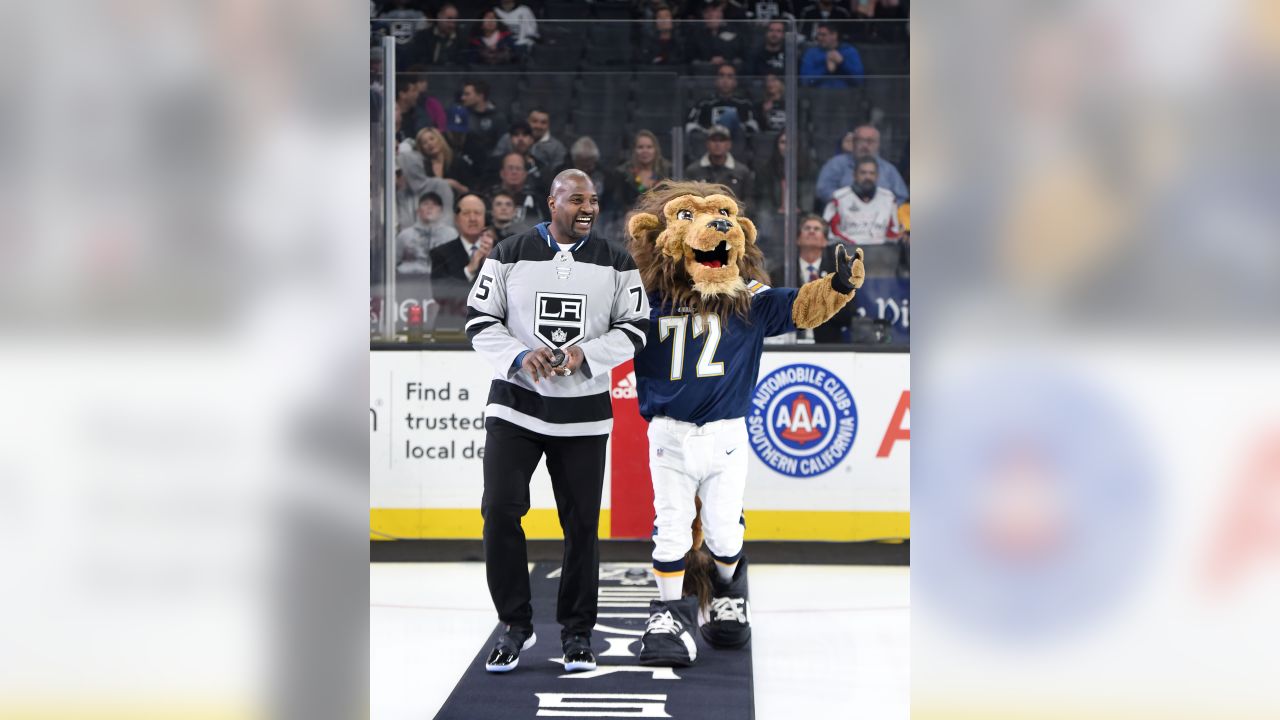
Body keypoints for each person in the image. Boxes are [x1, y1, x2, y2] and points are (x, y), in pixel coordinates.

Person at [467, 169, 650, 675]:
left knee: (582, 529)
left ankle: (576, 635)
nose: (587, 207)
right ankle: (515, 626)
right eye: (576, 199)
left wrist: (582, 356)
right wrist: (520, 356)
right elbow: (480, 321)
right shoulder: (508, 252)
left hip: (583, 416)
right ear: (552, 202)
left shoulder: (616, 261)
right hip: (515, 407)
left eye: (593, 199)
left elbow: (635, 329)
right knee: (499, 511)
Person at [770, 214, 848, 342]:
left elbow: (848, 315)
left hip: (828, 347)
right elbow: (774, 310)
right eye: (807, 228)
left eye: (817, 229)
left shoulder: (839, 274)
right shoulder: (780, 273)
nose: (811, 231)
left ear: (825, 241)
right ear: (798, 240)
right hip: (788, 344)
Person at [815, 123, 909, 205]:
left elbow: (901, 196)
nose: (865, 145)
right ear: (854, 142)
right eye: (861, 140)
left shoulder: (888, 170)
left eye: (870, 141)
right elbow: (822, 190)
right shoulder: (836, 164)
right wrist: (848, 202)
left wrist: (884, 207)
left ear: (878, 144)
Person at [823, 156, 903, 245]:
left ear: (877, 176)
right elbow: (828, 232)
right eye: (863, 173)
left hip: (881, 253)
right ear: (854, 175)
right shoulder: (838, 198)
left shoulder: (889, 199)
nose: (867, 177)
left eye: (871, 173)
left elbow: (894, 232)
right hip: (848, 252)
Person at [685, 64, 760, 144]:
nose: (725, 80)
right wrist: (707, 133)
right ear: (716, 81)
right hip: (709, 146)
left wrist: (738, 131)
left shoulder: (745, 104)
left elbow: (754, 125)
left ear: (735, 82)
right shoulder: (704, 104)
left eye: (730, 76)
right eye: (721, 76)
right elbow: (690, 126)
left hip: (737, 148)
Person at [684, 125, 754, 203]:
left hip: (734, 213)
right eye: (713, 140)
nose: (717, 144)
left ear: (729, 144)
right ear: (707, 144)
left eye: (722, 140)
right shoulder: (693, 170)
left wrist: (739, 212)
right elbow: (687, 199)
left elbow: (749, 200)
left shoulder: (742, 171)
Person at [397, 192, 459, 275]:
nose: (430, 207)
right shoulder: (405, 235)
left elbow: (456, 263)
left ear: (441, 211)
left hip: (442, 282)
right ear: (418, 210)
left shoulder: (451, 234)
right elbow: (393, 263)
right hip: (409, 282)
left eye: (435, 204)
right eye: (425, 204)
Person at [399, 127, 471, 198]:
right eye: (424, 143)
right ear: (421, 148)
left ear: (439, 139)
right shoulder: (421, 167)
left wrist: (454, 185)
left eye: (432, 139)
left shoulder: (458, 162)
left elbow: (470, 191)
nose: (429, 143)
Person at [492, 108, 568, 175]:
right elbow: (495, 161)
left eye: (543, 122)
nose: (538, 126)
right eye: (534, 121)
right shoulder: (507, 138)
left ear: (549, 125)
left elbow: (558, 174)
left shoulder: (558, 147)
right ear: (527, 121)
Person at [485, 152, 549, 227]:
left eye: (518, 168)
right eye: (510, 168)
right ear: (502, 173)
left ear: (525, 174)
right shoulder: (489, 195)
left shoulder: (537, 199)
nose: (514, 172)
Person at [489, 121, 553, 196]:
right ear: (510, 140)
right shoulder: (495, 164)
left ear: (532, 140)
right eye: (516, 135)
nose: (520, 139)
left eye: (525, 135)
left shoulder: (541, 167)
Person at [683, 2, 747, 70]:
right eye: (709, 12)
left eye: (717, 11)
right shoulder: (695, 34)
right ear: (704, 15)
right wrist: (709, 60)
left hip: (729, 69)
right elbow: (692, 57)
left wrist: (724, 60)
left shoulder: (733, 31)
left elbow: (738, 53)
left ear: (721, 14)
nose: (714, 15)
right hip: (704, 71)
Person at [799, 21, 864, 88]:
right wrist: (825, 68)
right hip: (818, 95)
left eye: (823, 35)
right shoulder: (811, 53)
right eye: (818, 34)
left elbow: (859, 81)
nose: (819, 38)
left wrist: (842, 63)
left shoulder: (849, 51)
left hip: (846, 94)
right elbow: (805, 81)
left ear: (834, 35)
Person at [617, 129, 673, 205]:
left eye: (649, 147)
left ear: (656, 150)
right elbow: (619, 203)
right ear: (634, 150)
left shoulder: (667, 171)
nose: (645, 151)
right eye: (640, 147)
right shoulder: (623, 173)